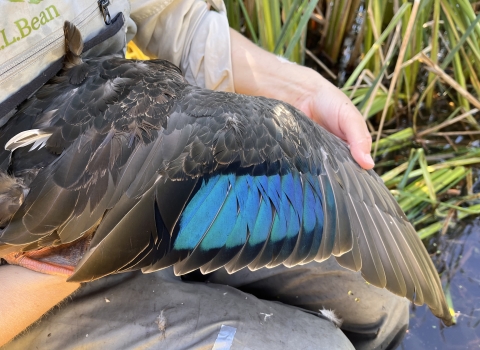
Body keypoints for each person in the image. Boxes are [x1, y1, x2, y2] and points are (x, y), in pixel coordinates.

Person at [0, 0, 408, 349]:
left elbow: (176, 17)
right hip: (27, 279)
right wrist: (69, 259)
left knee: (382, 301)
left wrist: (303, 93)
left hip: (130, 162)